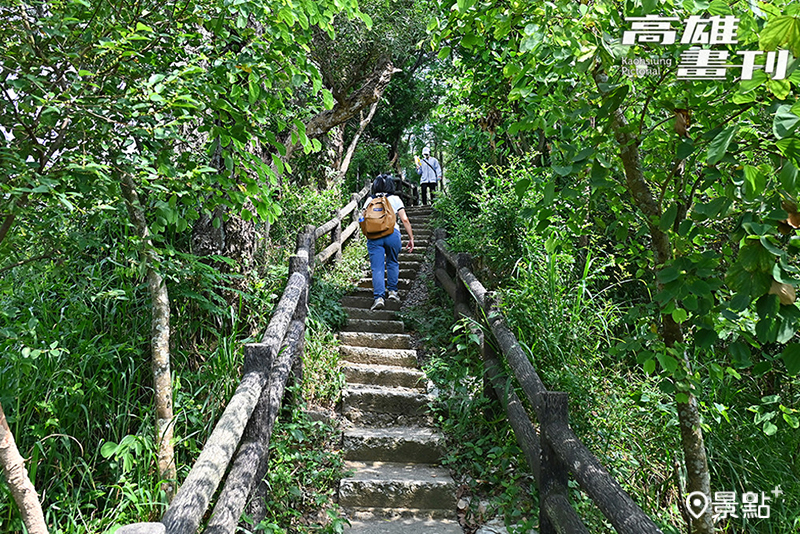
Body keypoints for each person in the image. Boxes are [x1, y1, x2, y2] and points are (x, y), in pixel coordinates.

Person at [363, 174, 415, 311]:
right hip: (393, 234)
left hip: (374, 236)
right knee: (392, 262)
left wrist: (367, 232)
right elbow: (405, 220)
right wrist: (411, 238)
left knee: (377, 267)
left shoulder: (370, 199)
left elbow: (362, 219)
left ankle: (379, 298)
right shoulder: (396, 199)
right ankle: (392, 292)